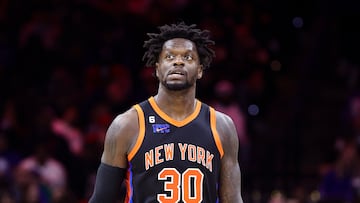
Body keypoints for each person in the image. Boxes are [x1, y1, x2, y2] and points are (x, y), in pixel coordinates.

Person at [89, 21, 244, 203]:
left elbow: (232, 199)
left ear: (200, 70)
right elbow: (101, 199)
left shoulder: (221, 126)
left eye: (188, 57)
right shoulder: (127, 125)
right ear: (157, 68)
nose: (178, 61)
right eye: (169, 57)